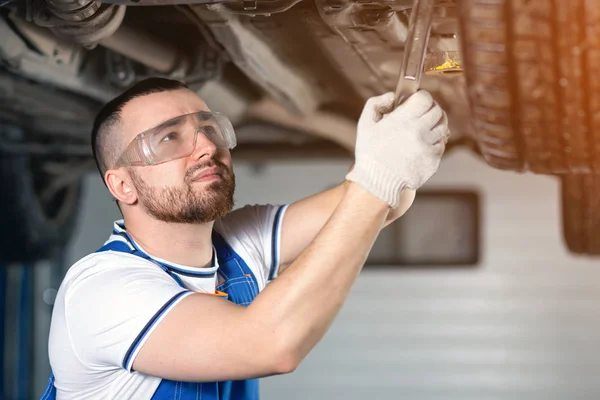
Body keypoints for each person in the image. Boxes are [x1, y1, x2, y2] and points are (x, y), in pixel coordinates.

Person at [42, 77, 449, 400]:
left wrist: (396, 147)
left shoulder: (237, 242)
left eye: (208, 128)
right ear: (122, 185)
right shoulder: (101, 290)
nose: (205, 147)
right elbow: (270, 344)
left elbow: (381, 202)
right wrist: (377, 176)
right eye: (169, 138)